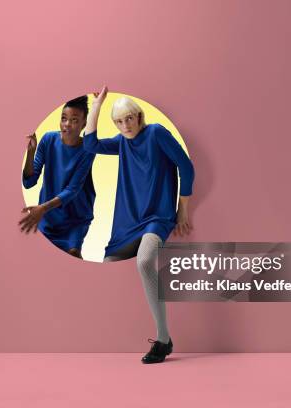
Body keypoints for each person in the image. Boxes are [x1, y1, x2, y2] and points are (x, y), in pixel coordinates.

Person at [83, 86, 195, 363]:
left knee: (144, 261)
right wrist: (96, 107)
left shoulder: (156, 133)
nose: (125, 126)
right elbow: (89, 144)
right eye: (119, 122)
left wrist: (182, 210)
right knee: (108, 263)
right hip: (127, 222)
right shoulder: (121, 142)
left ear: (138, 116)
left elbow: (186, 166)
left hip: (157, 217)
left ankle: (163, 339)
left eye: (129, 119)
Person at [19, 96, 96, 259]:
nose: (67, 124)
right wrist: (31, 153)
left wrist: (42, 208)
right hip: (49, 217)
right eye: (64, 118)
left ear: (83, 124)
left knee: (73, 255)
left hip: (75, 217)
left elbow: (72, 190)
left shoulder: (88, 149)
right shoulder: (48, 139)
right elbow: (29, 182)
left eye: (74, 120)